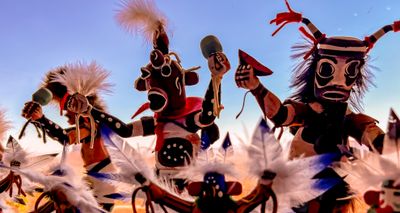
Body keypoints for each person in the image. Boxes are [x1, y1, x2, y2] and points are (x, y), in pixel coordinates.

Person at [235, 1, 399, 211]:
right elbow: (280, 115)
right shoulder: (307, 110)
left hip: (334, 191)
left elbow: (372, 136)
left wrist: (388, 144)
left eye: (350, 71)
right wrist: (257, 87)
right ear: (316, 71)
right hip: (303, 189)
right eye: (328, 70)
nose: (339, 82)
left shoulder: (349, 118)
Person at [21, 63, 116, 211]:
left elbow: (66, 138)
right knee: (60, 196)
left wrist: (42, 119)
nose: (65, 114)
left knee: (65, 198)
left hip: (103, 184)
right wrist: (39, 120)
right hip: (97, 181)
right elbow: (62, 135)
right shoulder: (87, 125)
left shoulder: (90, 124)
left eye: (66, 108)